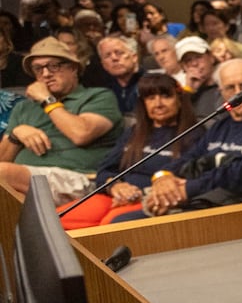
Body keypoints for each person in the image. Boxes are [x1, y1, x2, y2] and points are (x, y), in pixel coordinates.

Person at [117, 59, 242, 221]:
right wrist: (164, 178)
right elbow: (189, 158)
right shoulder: (221, 124)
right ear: (221, 93)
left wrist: (188, 189)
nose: (238, 93)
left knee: (129, 226)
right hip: (204, 199)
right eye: (230, 88)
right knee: (122, 224)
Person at [59, 73, 199, 229]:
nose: (158, 104)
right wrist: (114, 186)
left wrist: (140, 193)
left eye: (166, 96)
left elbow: (188, 179)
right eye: (150, 98)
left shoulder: (194, 134)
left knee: (109, 226)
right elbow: (105, 169)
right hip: (116, 195)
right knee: (56, 220)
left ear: (179, 99)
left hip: (152, 199)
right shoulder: (134, 132)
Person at [0, 36, 122, 202]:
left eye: (54, 66)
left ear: (73, 68)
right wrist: (16, 134)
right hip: (25, 181)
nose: (46, 74)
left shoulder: (98, 96)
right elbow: (3, 159)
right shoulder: (24, 108)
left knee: (3, 174)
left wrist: (47, 100)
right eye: (38, 69)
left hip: (79, 178)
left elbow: (81, 134)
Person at [91, 34, 143, 115]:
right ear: (103, 65)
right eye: (107, 55)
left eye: (119, 53)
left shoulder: (150, 82)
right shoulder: (101, 91)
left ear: (134, 57)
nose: (114, 58)